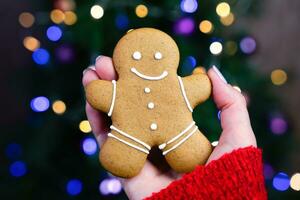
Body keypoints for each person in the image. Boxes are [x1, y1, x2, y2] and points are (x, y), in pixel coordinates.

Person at [82, 56, 267, 200]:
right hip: (130, 138)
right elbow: (98, 93)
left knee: (190, 153)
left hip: (180, 136)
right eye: (137, 56)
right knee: (119, 157)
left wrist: (227, 187)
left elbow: (199, 86)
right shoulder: (121, 89)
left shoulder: (179, 86)